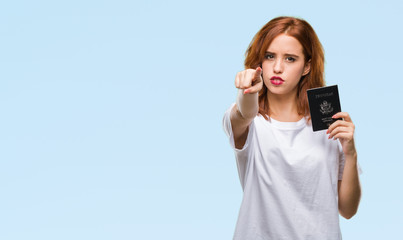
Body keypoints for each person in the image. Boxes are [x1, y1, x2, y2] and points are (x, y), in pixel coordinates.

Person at [222, 16, 362, 240]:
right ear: (260, 61)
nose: (277, 68)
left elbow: (348, 210)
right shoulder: (252, 122)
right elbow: (244, 113)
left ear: (306, 66)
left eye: (290, 59)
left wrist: (351, 153)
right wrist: (247, 91)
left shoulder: (327, 123)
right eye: (270, 56)